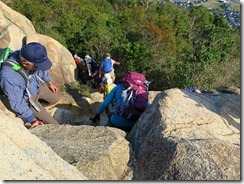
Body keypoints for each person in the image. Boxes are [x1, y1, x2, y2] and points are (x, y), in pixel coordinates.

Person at [0, 42, 60, 128]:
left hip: (34, 83)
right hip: (27, 97)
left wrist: (49, 81)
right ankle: (34, 110)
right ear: (25, 63)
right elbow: (17, 102)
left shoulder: (23, 54)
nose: (39, 68)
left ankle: (39, 109)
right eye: (37, 66)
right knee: (55, 125)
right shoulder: (9, 77)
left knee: (55, 97)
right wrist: (32, 118)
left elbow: (40, 70)